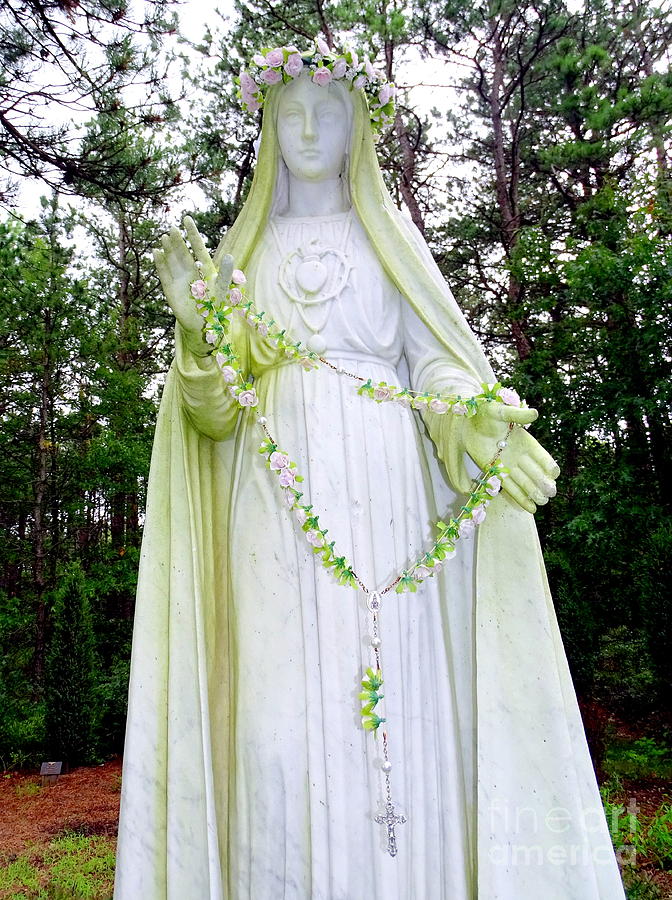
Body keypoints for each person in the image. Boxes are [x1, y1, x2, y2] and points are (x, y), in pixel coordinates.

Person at [114, 44, 626, 900]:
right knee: (275, 724)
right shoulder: (242, 262)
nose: (308, 128)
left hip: (390, 496)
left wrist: (474, 418)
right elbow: (210, 411)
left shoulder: (393, 246)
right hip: (273, 502)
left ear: (360, 127)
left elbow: (437, 366)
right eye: (290, 114)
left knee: (399, 717)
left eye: (327, 111)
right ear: (269, 130)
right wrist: (200, 333)